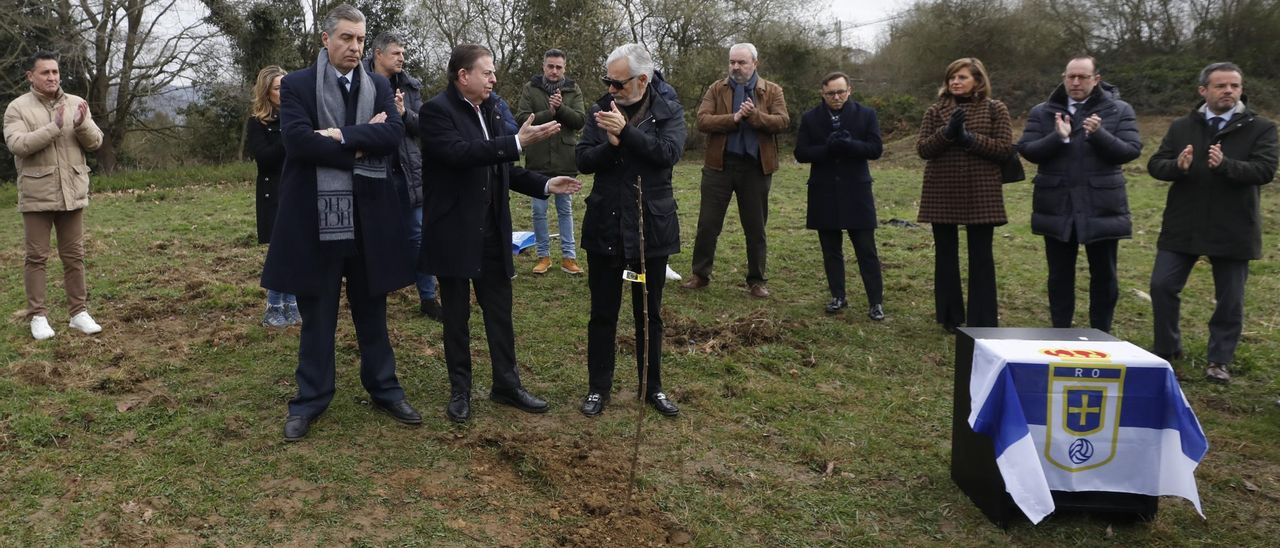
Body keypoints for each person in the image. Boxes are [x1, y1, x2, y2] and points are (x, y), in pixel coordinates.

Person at [260, 4, 421, 441]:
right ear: (326, 40)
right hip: (316, 221)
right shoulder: (295, 86)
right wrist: (360, 140)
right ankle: (310, 400)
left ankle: (384, 389)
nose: (354, 46)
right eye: (346, 38)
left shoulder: (378, 85)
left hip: (370, 219)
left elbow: (392, 137)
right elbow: (297, 143)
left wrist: (338, 136)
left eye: (360, 40)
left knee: (373, 312)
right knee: (318, 316)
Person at [419, 44, 582, 423]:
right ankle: (460, 390)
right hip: (454, 231)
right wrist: (517, 143)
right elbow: (462, 154)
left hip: (493, 230)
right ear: (464, 76)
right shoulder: (435, 112)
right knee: (456, 317)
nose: (494, 79)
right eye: (487, 72)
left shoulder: (493, 109)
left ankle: (506, 384)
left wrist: (544, 184)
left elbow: (500, 168)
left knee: (500, 313)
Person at [1147, 62, 1278, 383]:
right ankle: (1167, 348)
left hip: (1234, 227)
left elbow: (1264, 171)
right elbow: (1156, 164)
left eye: (1234, 85)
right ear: (1203, 90)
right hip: (1184, 222)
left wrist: (1226, 165)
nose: (1229, 91)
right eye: (1221, 86)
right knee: (1162, 286)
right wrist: (1177, 166)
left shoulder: (1261, 127)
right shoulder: (1182, 126)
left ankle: (1219, 360)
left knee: (1230, 300)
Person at [576, 43, 686, 417]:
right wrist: (609, 147)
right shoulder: (598, 111)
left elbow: (668, 154)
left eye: (618, 83)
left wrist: (627, 134)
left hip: (649, 228)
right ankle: (598, 388)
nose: (611, 89)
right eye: (607, 81)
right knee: (603, 312)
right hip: (606, 224)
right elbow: (583, 160)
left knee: (648, 314)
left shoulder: (667, 109)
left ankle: (651, 387)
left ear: (642, 80)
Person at [1017, 56, 1141, 333]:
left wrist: (1099, 134)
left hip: (1102, 205)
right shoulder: (1042, 111)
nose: (1075, 82)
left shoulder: (1118, 110)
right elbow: (1027, 149)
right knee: (1059, 274)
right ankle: (1060, 329)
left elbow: (1131, 150)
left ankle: (1101, 331)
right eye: (1070, 76)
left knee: (1104, 274)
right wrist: (1058, 137)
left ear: (1096, 79)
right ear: (1064, 78)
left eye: (1082, 77)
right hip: (1057, 204)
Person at [4, 50, 104, 340]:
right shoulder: (17, 108)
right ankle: (38, 316)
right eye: (45, 72)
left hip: (72, 192)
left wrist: (81, 123)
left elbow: (96, 141)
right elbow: (18, 144)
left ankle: (79, 313)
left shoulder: (76, 103)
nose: (52, 77)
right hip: (37, 196)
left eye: (55, 72)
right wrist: (54, 127)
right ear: (31, 76)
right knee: (37, 258)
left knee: (75, 256)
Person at [683, 43, 789, 298]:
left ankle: (757, 280)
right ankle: (700, 274)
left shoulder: (772, 90)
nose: (735, 67)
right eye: (732, 62)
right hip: (719, 166)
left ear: (755, 63)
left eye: (741, 62)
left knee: (755, 227)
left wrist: (754, 116)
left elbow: (783, 121)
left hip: (755, 168)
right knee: (708, 224)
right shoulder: (717, 88)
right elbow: (702, 120)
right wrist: (733, 118)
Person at [915, 57, 1014, 332]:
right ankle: (950, 317)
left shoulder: (995, 109)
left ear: (978, 81)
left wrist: (969, 138)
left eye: (962, 77)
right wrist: (947, 133)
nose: (955, 82)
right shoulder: (935, 111)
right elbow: (923, 149)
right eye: (952, 78)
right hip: (942, 189)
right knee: (946, 255)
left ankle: (983, 319)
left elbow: (1005, 149)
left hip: (981, 191)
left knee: (981, 256)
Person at [794, 72, 885, 320]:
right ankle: (838, 296)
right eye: (831, 93)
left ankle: (875, 302)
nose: (836, 97)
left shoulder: (866, 115)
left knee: (866, 249)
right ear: (822, 94)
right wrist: (827, 148)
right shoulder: (811, 118)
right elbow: (801, 152)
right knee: (831, 249)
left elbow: (876, 149)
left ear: (850, 90)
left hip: (857, 190)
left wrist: (851, 145)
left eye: (841, 92)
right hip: (824, 190)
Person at [363, 33, 441, 321]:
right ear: (378, 55)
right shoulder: (359, 82)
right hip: (374, 171)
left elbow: (425, 126)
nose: (401, 58)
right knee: (377, 239)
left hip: (408, 172)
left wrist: (403, 113)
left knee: (418, 236)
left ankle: (428, 297)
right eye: (396, 53)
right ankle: (376, 296)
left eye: (403, 54)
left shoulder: (410, 86)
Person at [517, 48, 585, 275]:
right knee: (538, 211)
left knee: (565, 210)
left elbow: (579, 121)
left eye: (559, 67)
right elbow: (521, 119)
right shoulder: (530, 88)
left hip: (565, 159)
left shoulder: (573, 89)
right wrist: (549, 111)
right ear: (543, 66)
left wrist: (561, 108)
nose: (554, 71)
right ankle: (543, 257)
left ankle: (569, 258)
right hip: (537, 159)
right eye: (550, 66)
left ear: (564, 68)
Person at [246, 65, 299, 328]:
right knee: (281, 251)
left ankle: (292, 303)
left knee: (296, 249)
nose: (284, 92)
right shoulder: (257, 123)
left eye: (286, 86)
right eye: (279, 88)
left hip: (297, 189)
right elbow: (265, 159)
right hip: (273, 193)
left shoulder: (299, 116)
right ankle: (273, 306)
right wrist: (290, 134)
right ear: (267, 92)